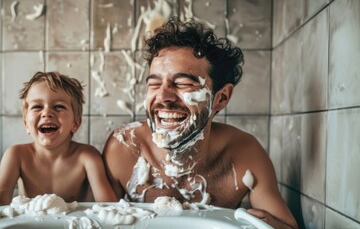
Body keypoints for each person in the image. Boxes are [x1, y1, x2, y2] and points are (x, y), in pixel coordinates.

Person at [103, 17, 298, 229]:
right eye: (155, 84)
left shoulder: (245, 155)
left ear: (221, 98)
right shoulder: (124, 147)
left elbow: (285, 226)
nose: (163, 96)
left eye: (183, 83)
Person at [0, 71, 116, 205]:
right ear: (26, 124)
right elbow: (1, 202)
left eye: (59, 107)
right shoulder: (17, 155)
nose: (47, 113)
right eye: (37, 106)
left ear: (75, 124)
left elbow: (110, 207)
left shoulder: (87, 157)